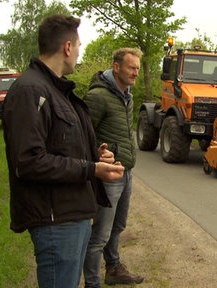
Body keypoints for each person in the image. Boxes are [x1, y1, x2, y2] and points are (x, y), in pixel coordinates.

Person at [2, 14, 125, 288]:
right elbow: (29, 161)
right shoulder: (30, 90)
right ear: (67, 47)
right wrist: (91, 169)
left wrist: (96, 154)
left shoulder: (56, 91)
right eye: (79, 46)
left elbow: (60, 144)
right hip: (55, 222)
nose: (79, 53)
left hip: (73, 215)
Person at [82, 48, 144, 288]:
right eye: (131, 67)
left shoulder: (127, 95)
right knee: (99, 235)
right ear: (116, 67)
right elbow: (83, 136)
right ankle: (92, 283)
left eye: (138, 68)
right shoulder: (98, 96)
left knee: (118, 226)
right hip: (108, 176)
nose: (136, 73)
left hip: (126, 172)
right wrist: (99, 151)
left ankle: (114, 268)